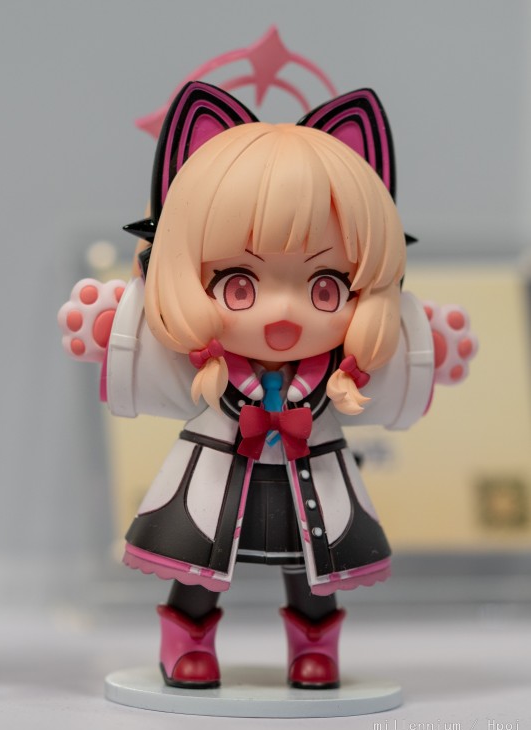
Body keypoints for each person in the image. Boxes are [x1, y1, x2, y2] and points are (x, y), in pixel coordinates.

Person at [59, 82, 477, 691]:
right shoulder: (205, 361)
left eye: (325, 287)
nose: (283, 313)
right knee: (199, 567)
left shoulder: (336, 372)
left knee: (314, 570)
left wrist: (421, 353)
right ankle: (186, 644)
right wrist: (118, 328)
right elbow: (148, 373)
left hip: (314, 479)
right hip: (216, 474)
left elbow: (392, 392)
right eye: (240, 285)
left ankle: (316, 651)